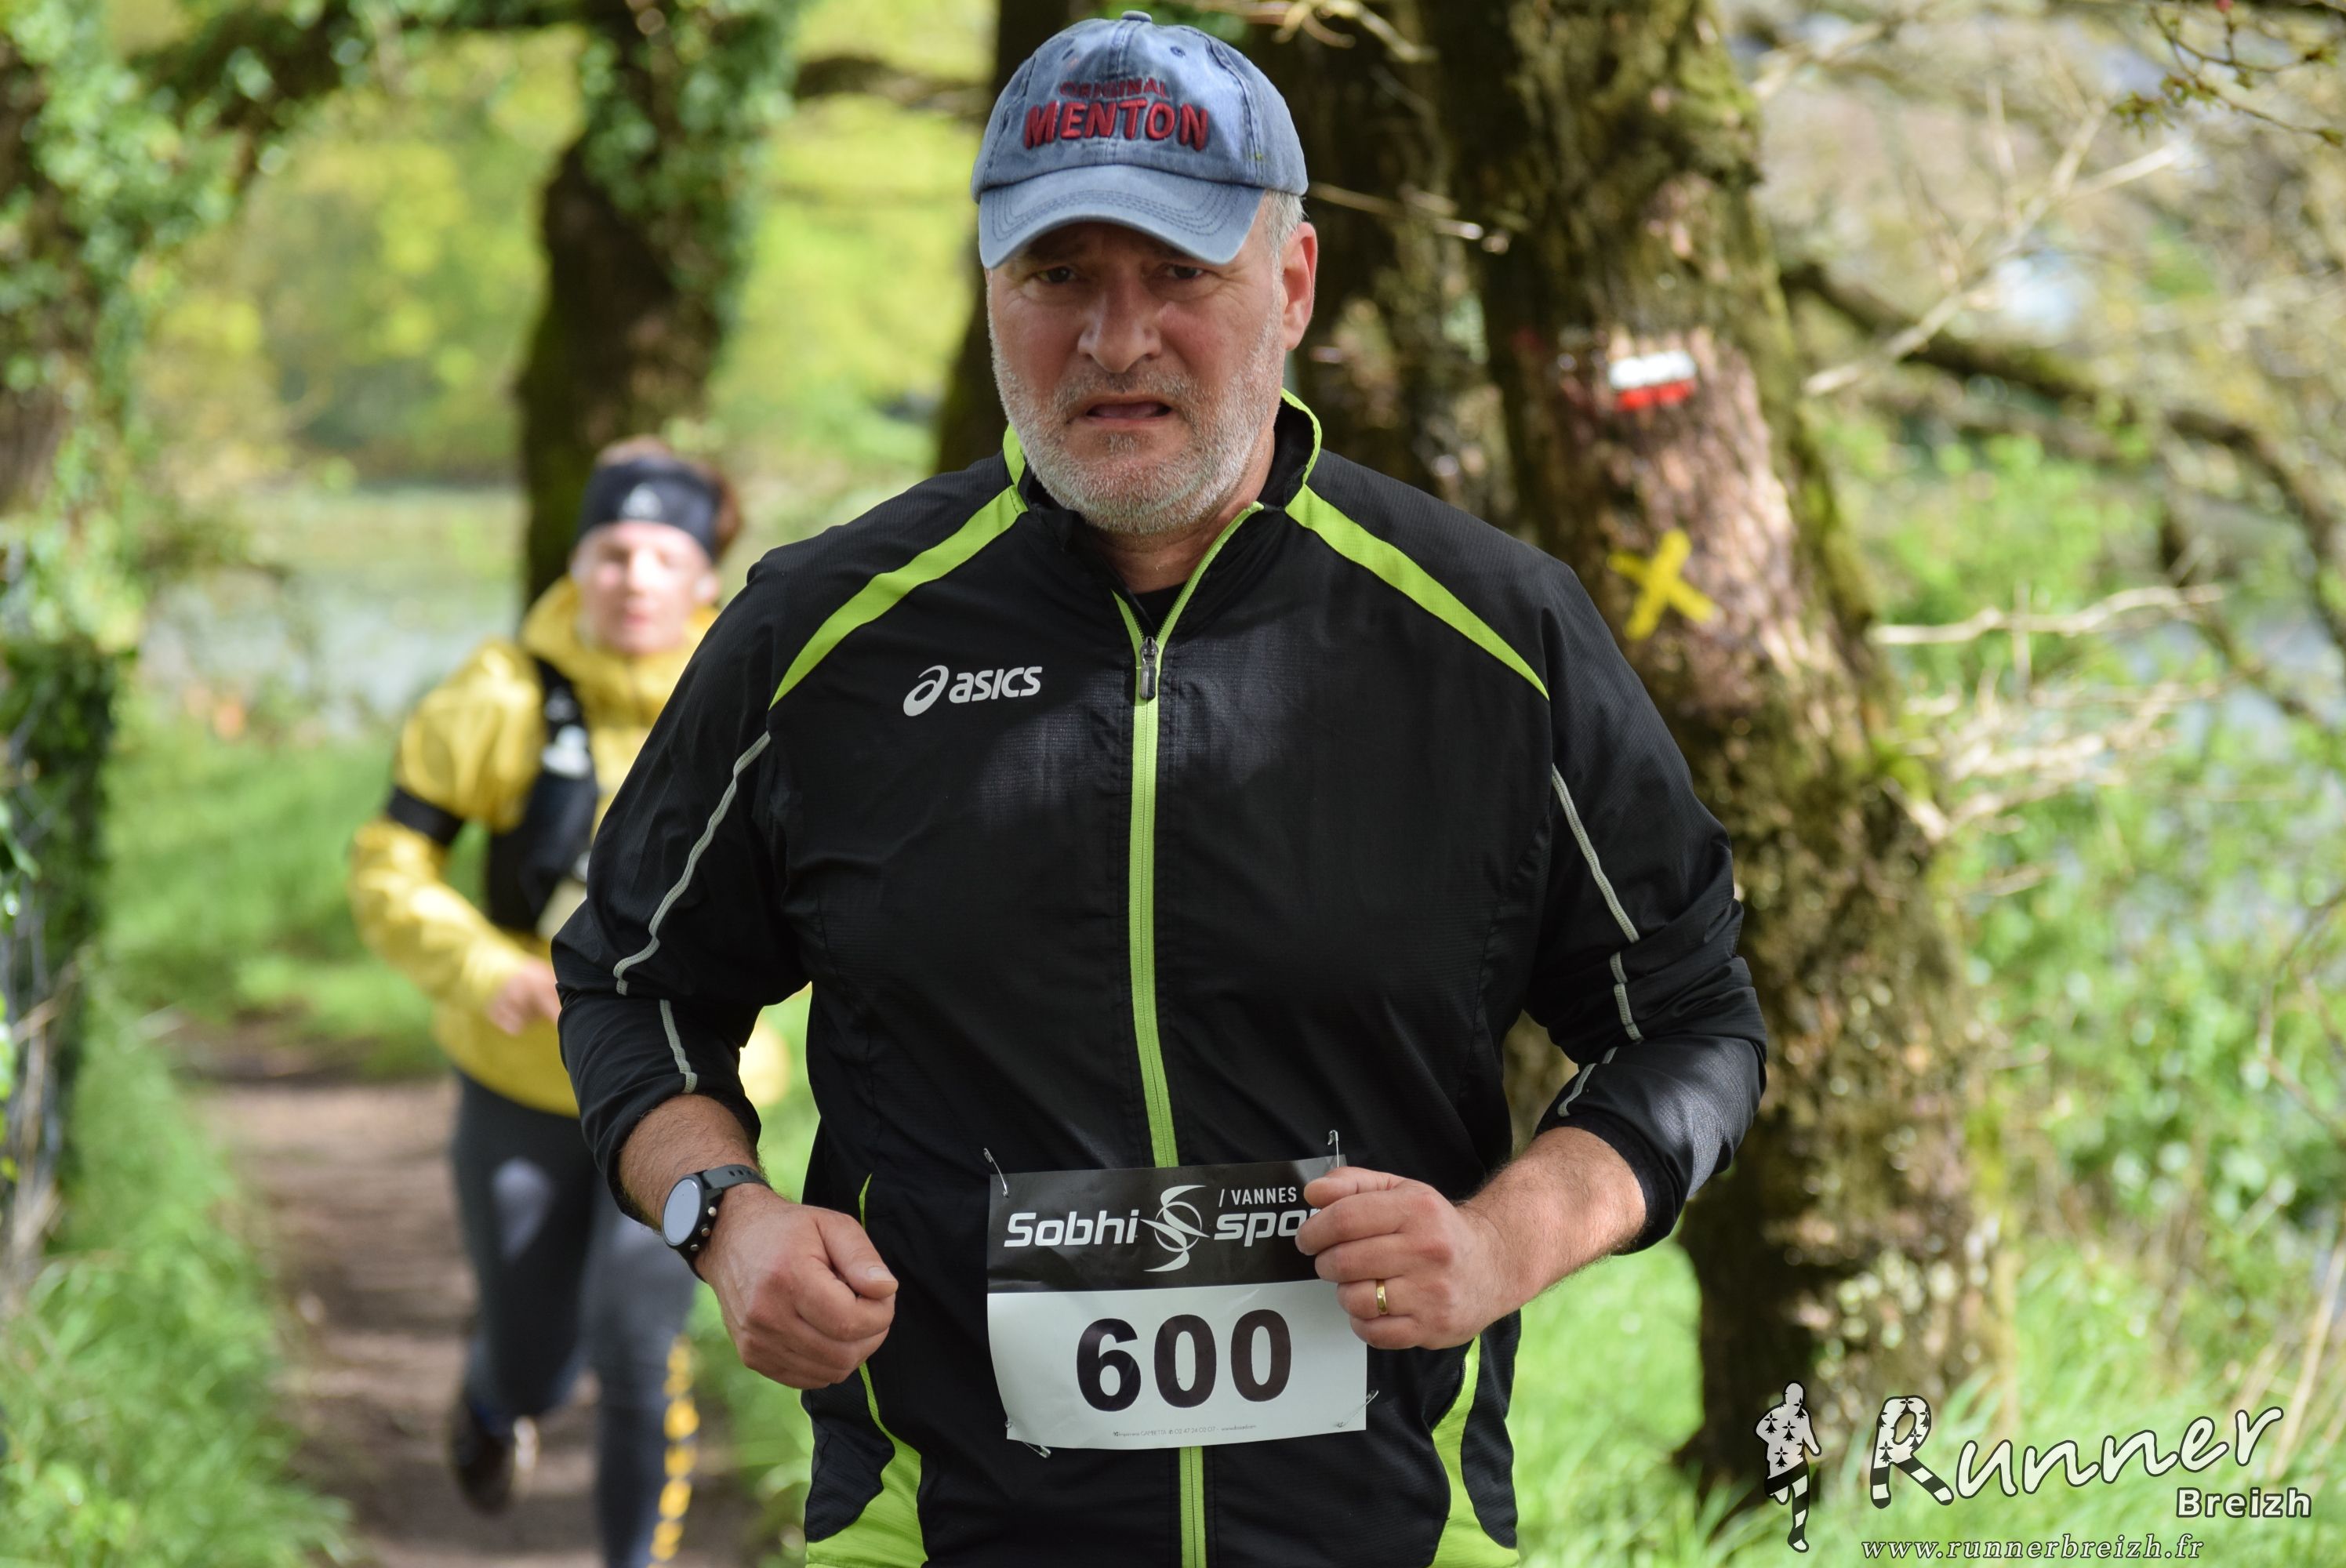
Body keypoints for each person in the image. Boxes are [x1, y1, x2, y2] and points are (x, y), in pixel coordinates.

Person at [556, 13, 1767, 1567]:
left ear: (1294, 282)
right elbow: (632, 983)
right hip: (940, 1527)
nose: (1114, 340)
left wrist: (1497, 1244)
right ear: (989, 290)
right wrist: (725, 1218)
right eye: (1056, 275)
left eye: (1179, 272)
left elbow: (1688, 1021)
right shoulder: (822, 635)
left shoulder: (1492, 636)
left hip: (1388, 1528)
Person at [348, 438, 786, 1568]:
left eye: (662, 556)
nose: (634, 578)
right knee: (537, 1353)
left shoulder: (756, 687)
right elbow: (390, 862)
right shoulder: (499, 695)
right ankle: (499, 1394)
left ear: (703, 575)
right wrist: (480, 967)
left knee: (637, 1348)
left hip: (694, 1089)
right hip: (523, 1080)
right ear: (577, 565)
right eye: (612, 553)